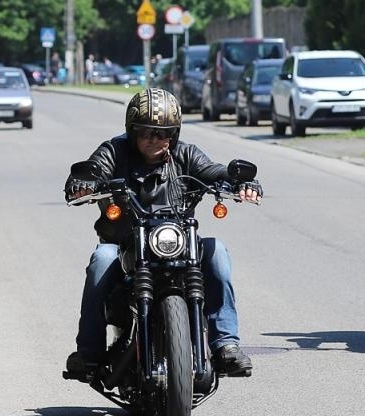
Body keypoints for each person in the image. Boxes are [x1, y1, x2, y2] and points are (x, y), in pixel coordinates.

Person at [62, 87, 261, 381]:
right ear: (132, 131)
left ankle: (225, 345)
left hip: (176, 244)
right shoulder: (114, 152)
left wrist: (240, 182)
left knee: (217, 251)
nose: (154, 139)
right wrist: (83, 183)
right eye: (145, 132)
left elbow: (213, 171)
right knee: (101, 259)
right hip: (125, 246)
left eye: (163, 133)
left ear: (174, 134)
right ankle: (88, 352)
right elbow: (94, 170)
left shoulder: (186, 155)